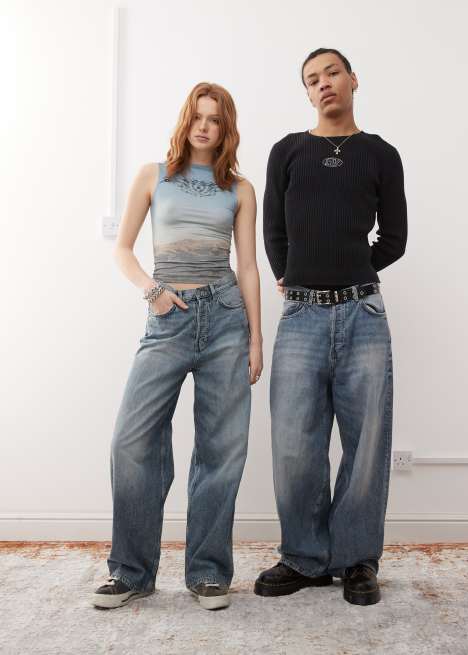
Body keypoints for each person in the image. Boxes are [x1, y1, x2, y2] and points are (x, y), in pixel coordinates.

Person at [92, 82, 263, 611]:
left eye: (216, 119)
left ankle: (208, 572)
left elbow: (248, 266)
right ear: (186, 120)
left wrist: (257, 337)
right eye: (198, 117)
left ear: (226, 128)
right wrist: (152, 292)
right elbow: (122, 249)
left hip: (226, 319)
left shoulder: (240, 188)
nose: (205, 127)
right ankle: (131, 572)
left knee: (222, 449)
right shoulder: (154, 176)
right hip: (167, 317)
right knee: (131, 442)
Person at [255, 48, 407, 605]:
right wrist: (289, 274)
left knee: (365, 443)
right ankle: (304, 558)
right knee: (295, 444)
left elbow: (394, 238)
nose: (324, 84)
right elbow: (273, 229)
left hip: (363, 313)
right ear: (307, 92)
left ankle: (356, 560)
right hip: (300, 315)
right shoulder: (288, 151)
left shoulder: (381, 154)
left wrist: (353, 269)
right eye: (312, 79)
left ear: (352, 80)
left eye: (332, 73)